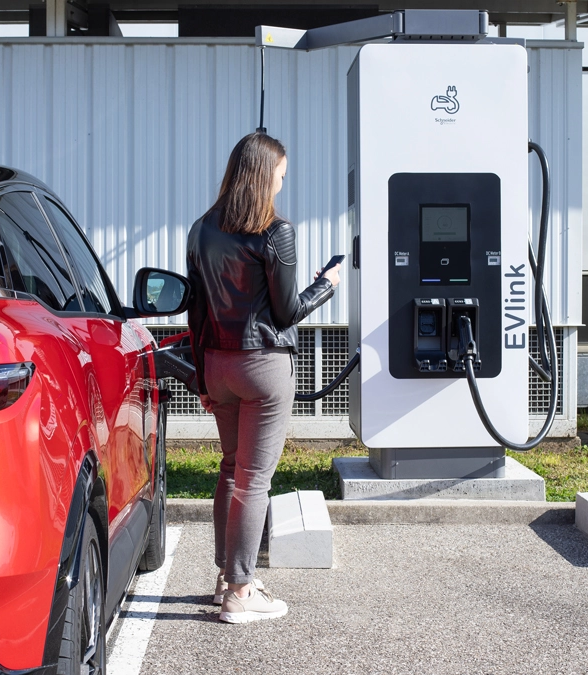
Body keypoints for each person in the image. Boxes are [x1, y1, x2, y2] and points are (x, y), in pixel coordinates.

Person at [186, 132, 341, 624]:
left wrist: (201, 376)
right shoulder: (277, 232)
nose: (281, 183)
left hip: (217, 363)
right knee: (254, 480)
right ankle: (240, 591)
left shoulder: (201, 229)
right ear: (263, 175)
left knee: (230, 470)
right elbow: (287, 310)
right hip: (263, 366)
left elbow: (195, 309)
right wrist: (327, 284)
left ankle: (224, 578)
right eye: (280, 175)